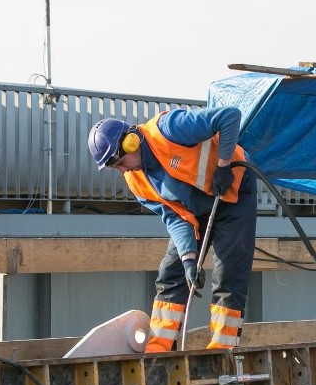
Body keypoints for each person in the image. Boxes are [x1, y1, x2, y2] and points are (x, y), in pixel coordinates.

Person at [88, 107, 257, 352]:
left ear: (131, 142)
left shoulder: (169, 129)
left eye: (120, 162)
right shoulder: (136, 180)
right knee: (172, 272)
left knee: (228, 272)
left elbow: (229, 116)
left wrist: (223, 166)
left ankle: (222, 347)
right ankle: (160, 346)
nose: (123, 170)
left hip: (234, 191)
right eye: (115, 167)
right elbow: (175, 217)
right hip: (194, 208)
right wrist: (189, 259)